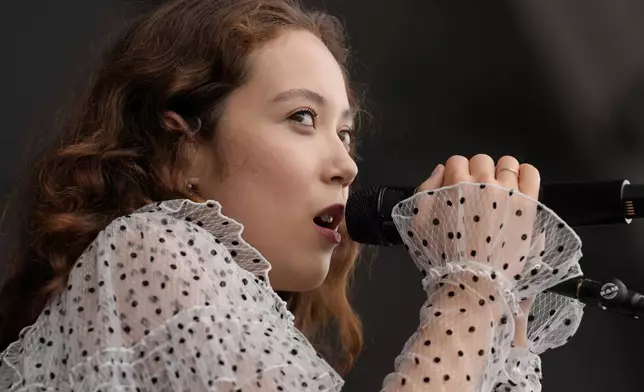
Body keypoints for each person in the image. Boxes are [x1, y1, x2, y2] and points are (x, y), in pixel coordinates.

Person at [0, 0, 585, 390]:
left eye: (346, 132)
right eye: (302, 117)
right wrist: (473, 284)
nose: (346, 165)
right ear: (182, 151)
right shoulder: (149, 247)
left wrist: (503, 323)